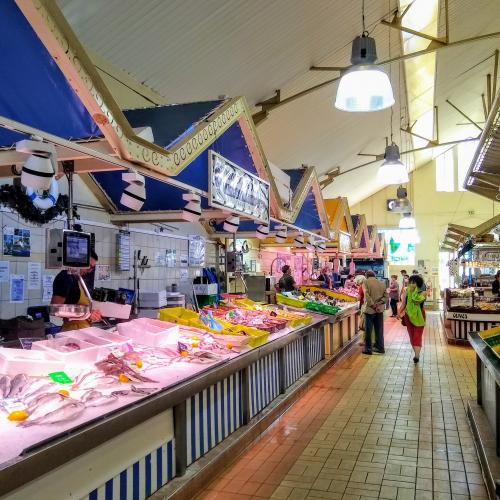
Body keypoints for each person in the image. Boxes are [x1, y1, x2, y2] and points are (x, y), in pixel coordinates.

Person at [52, 250, 102, 331]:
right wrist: (87, 314)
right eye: (89, 266)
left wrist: (91, 313)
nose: (90, 271)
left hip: (81, 329)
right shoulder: (65, 277)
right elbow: (56, 309)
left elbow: (77, 306)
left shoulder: (77, 278)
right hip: (72, 331)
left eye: (92, 268)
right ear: (78, 261)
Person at [399, 274, 426, 363]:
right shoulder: (406, 292)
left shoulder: (422, 292)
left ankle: (417, 356)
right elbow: (403, 304)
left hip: (419, 316)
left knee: (417, 335)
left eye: (413, 282)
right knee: (411, 336)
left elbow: (417, 301)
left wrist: (413, 292)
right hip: (408, 316)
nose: (411, 284)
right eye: (410, 282)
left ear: (418, 283)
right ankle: (416, 354)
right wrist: (399, 313)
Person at [362, 270, 388, 355]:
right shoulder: (382, 283)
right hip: (379, 310)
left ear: (366, 276)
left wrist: (373, 305)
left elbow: (366, 295)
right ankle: (380, 348)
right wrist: (378, 304)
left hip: (370, 310)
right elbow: (386, 297)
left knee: (368, 330)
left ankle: (368, 349)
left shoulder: (365, 282)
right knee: (379, 329)